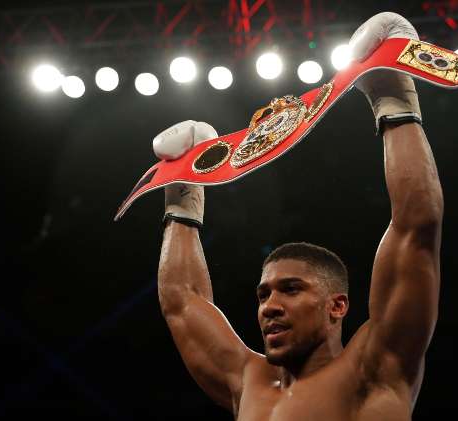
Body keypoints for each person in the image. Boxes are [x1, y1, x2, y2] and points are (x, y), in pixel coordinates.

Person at [157, 12, 442, 421]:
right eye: (263, 294)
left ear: (337, 306)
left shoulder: (375, 369)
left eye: (290, 289)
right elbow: (182, 301)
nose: (269, 306)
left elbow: (417, 225)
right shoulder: (248, 382)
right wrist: (182, 195)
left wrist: (392, 96)